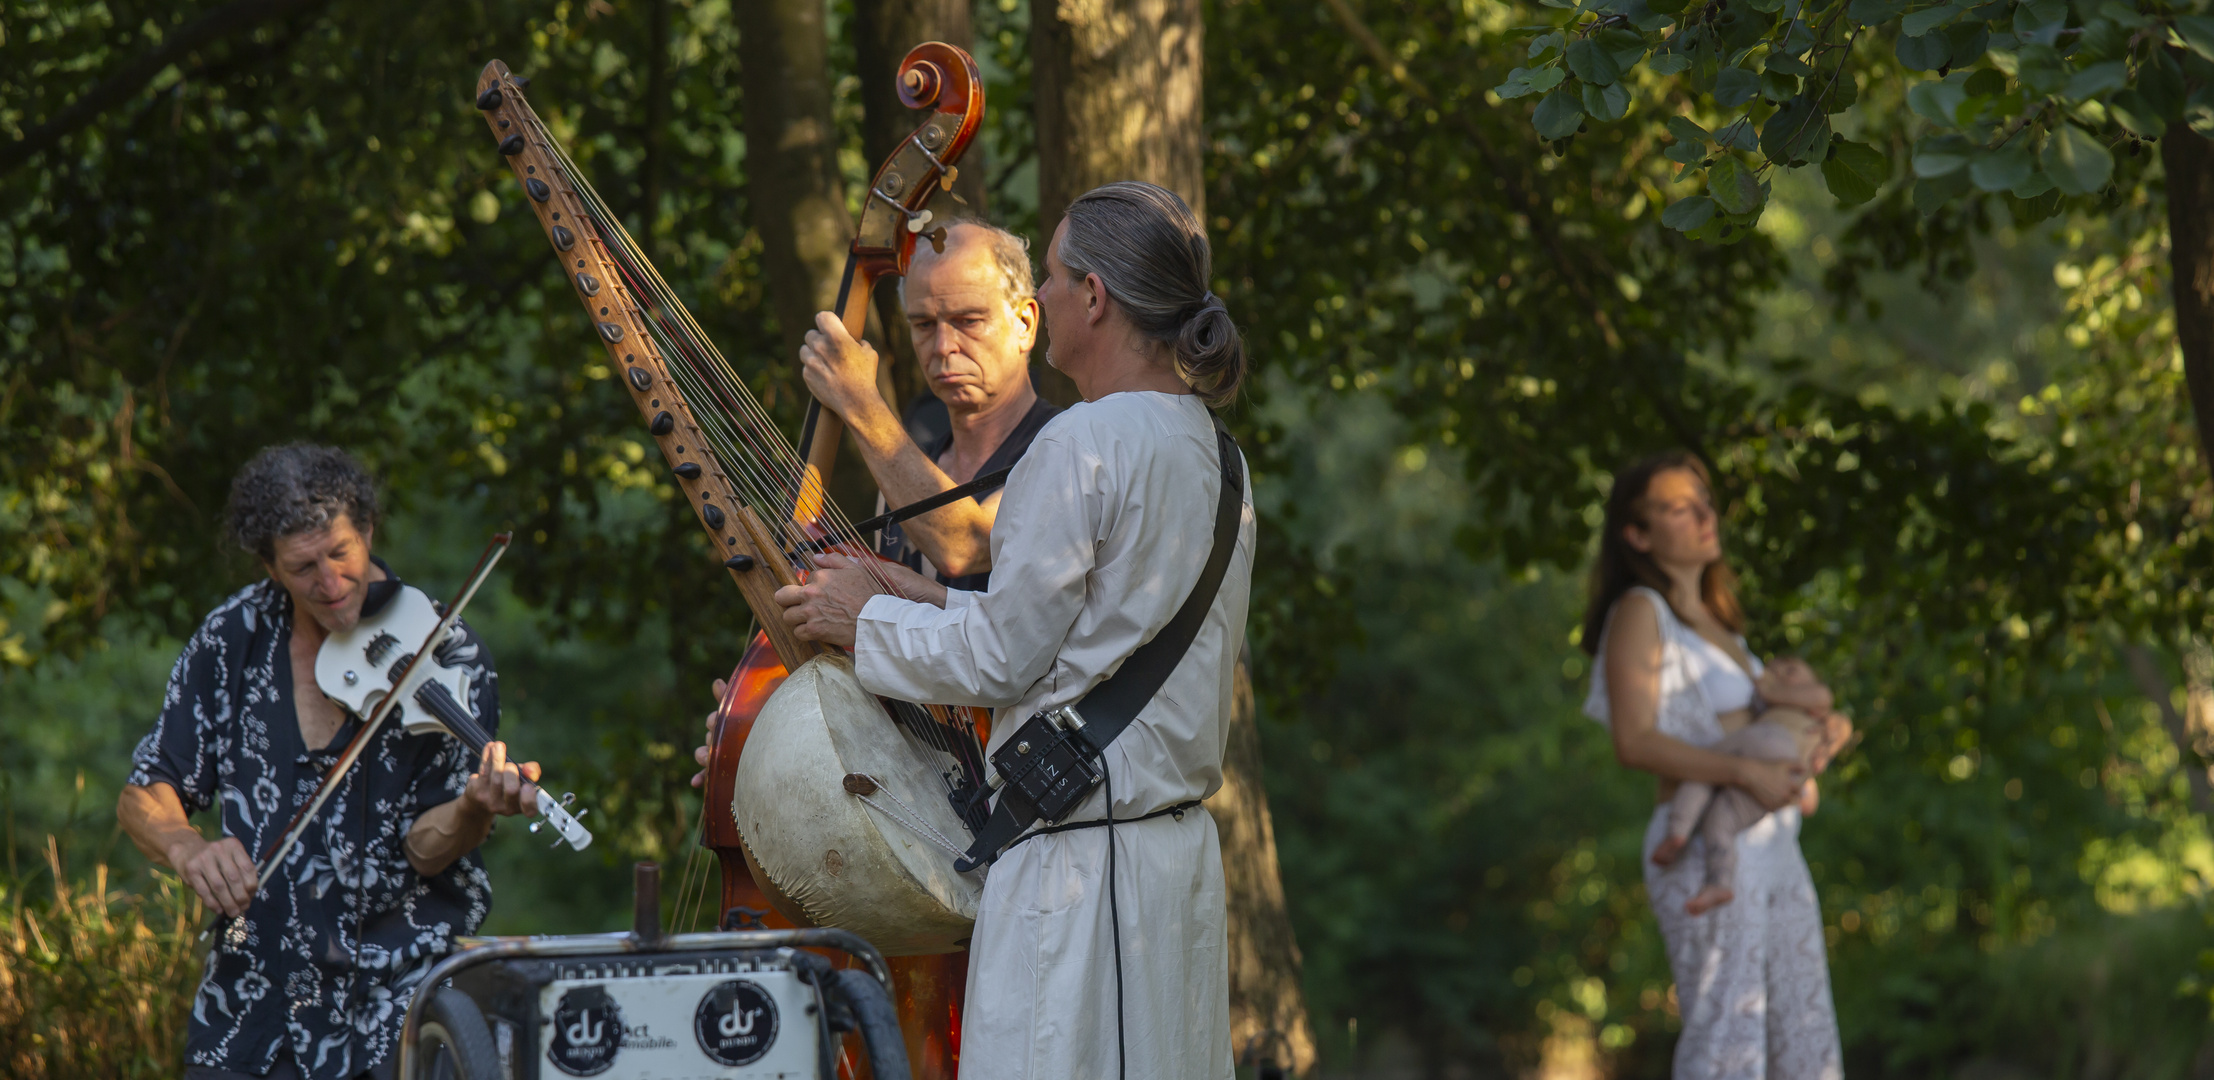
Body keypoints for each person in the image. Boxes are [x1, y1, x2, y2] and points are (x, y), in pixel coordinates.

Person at [772, 181, 1251, 1080]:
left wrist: (860, 620)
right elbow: (1069, 643)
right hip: (1172, 866)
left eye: (1060, 278)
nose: (1055, 298)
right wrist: (913, 597)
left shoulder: (1078, 444)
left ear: (1093, 297)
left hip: (1077, 881)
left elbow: (1001, 659)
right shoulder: (1217, 452)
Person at [117, 444, 543, 1080]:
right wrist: (186, 846)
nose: (331, 582)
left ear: (367, 530)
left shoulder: (447, 656)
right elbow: (147, 790)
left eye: (342, 552)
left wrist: (473, 808)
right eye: (304, 567)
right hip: (249, 1004)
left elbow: (427, 849)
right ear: (270, 567)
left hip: (393, 1007)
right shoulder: (232, 638)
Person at [1581, 451, 1845, 1079]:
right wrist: (1744, 772)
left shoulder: (1724, 624)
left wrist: (1815, 737)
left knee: (1804, 1036)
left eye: (1704, 499)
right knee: (1730, 1039)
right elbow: (1635, 741)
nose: (1704, 514)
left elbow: (1755, 733)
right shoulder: (1643, 612)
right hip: (1703, 846)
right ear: (1637, 535)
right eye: (1678, 506)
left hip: (1777, 846)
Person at [797, 219, 1061, 590]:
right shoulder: (902, 474)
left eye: (968, 320)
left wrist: (858, 401)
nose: (942, 346)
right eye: (923, 324)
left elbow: (964, 545)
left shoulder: (1064, 446)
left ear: (1025, 323)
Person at [1653, 657, 1856, 914]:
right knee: (1719, 823)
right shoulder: (1783, 710)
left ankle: (1678, 826)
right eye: (1772, 670)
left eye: (1790, 669)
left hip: (1775, 744)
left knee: (1708, 764)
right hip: (1782, 778)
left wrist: (1768, 687)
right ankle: (1718, 881)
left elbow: (1813, 699)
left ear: (1815, 681)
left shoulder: (1814, 697)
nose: (1779, 673)